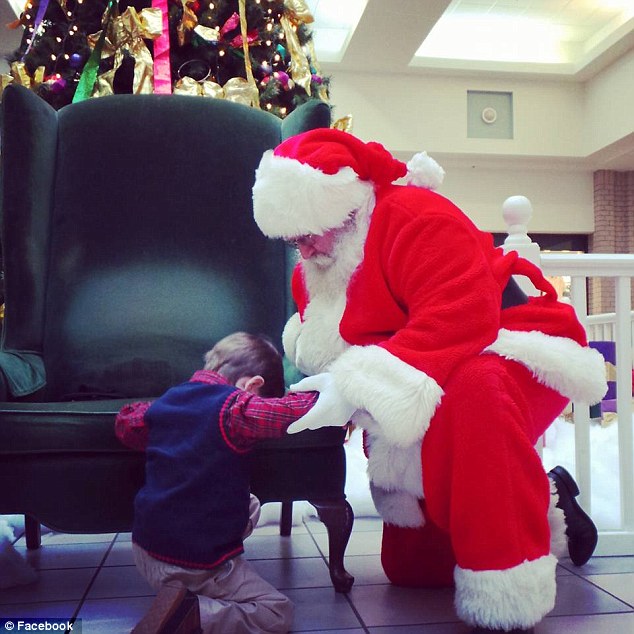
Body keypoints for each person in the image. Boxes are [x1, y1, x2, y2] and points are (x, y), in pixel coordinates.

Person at [251, 128, 606, 633]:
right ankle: (547, 496)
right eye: (292, 240)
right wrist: (340, 386)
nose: (302, 250)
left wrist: (356, 385)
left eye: (307, 233)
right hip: (423, 366)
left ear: (343, 207)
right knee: (415, 571)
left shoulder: (416, 217)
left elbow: (461, 318)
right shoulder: (313, 266)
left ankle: (510, 588)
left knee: (472, 393)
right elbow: (334, 346)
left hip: (511, 343)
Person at [115, 331, 350, 634]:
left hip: (146, 550)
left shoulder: (166, 403)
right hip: (195, 560)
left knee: (248, 501)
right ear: (251, 386)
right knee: (277, 612)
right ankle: (193, 612)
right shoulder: (237, 409)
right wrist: (339, 390)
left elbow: (126, 422)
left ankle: (179, 594)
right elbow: (288, 413)